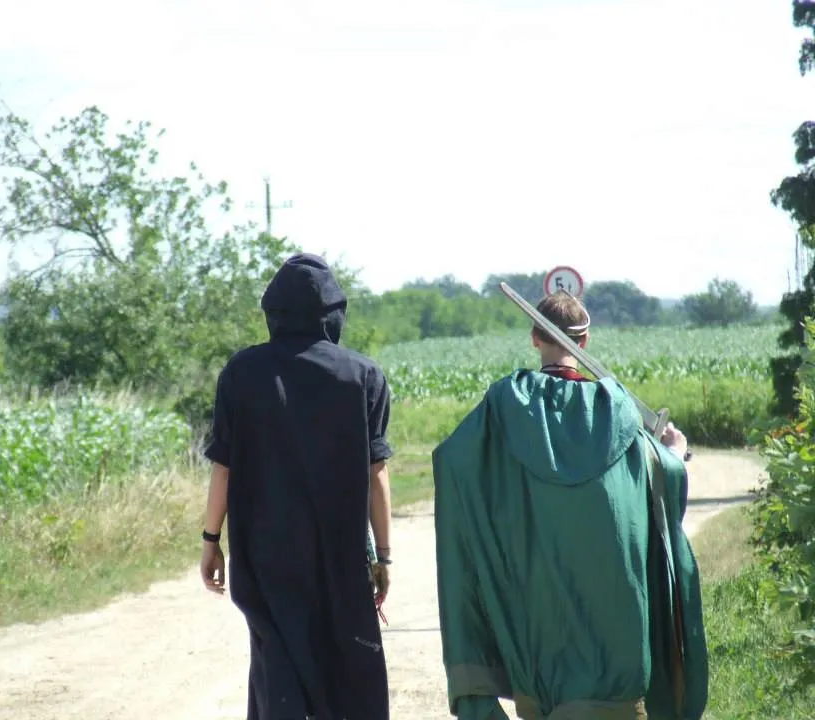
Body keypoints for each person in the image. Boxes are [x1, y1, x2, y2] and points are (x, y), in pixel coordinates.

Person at [432, 291, 708, 720]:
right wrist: (672, 452)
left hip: (540, 658)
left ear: (534, 339)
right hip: (617, 667)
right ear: (585, 341)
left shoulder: (503, 410)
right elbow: (664, 480)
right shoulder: (618, 413)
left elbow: (451, 459)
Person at [199, 252, 394, 720]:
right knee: (347, 669)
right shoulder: (363, 376)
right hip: (340, 556)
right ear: (334, 313)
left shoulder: (242, 373)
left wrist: (211, 541)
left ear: (274, 312)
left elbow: (223, 469)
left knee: (278, 666)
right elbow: (376, 475)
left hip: (264, 554)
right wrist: (383, 557)